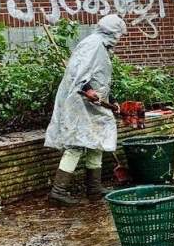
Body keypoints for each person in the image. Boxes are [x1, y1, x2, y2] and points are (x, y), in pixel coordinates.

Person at [45, 15, 127, 205]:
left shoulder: (103, 47)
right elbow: (78, 71)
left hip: (93, 105)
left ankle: (94, 189)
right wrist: (88, 89)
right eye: (119, 34)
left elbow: (101, 78)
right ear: (112, 31)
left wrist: (112, 101)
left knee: (96, 142)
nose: (120, 38)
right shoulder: (93, 44)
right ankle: (58, 192)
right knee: (76, 144)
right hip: (80, 102)